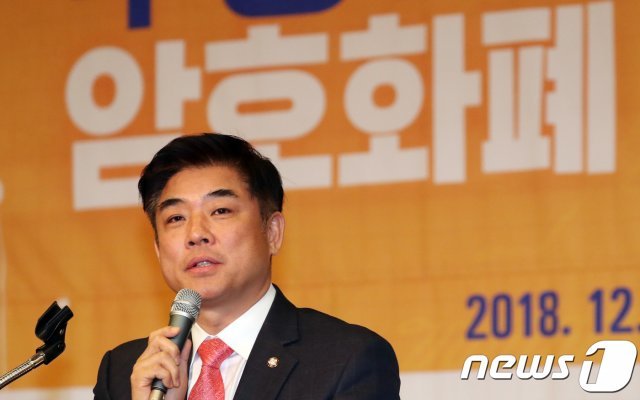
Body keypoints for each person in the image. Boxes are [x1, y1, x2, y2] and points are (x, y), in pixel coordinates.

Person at [93, 133, 400, 400]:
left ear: (272, 232)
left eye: (220, 211)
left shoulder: (345, 359)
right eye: (176, 218)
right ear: (159, 249)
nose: (196, 233)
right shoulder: (124, 373)